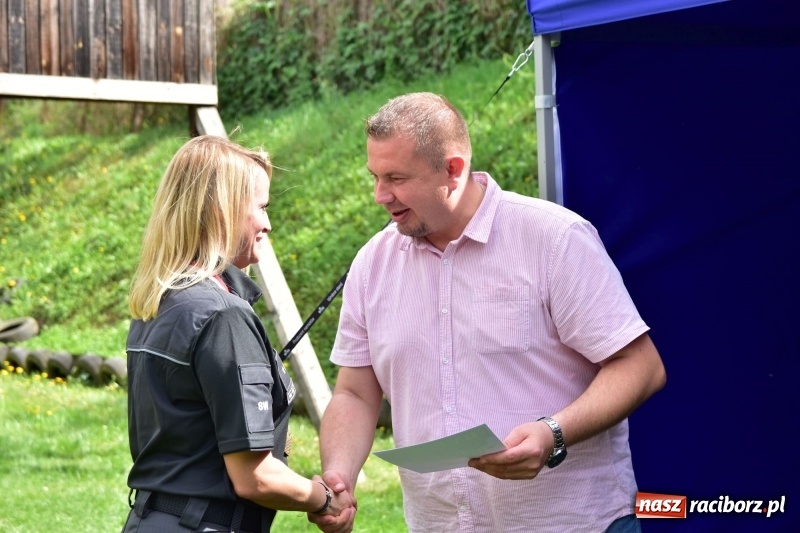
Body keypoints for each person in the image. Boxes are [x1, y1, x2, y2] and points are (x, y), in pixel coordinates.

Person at [310, 93, 666, 533]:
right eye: (375, 177)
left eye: (396, 178)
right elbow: (356, 393)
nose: (380, 195)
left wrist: (553, 432)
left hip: (573, 523)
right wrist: (339, 475)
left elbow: (641, 367)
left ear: (453, 169)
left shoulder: (554, 239)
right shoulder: (372, 263)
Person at [123, 135, 355, 532]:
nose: (268, 223)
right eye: (261, 208)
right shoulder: (223, 316)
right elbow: (255, 477)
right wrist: (325, 499)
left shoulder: (158, 300)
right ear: (222, 212)